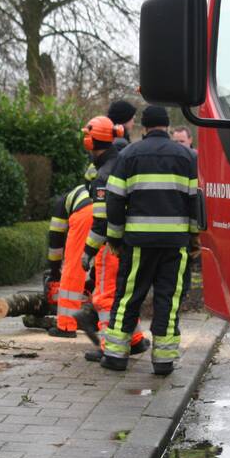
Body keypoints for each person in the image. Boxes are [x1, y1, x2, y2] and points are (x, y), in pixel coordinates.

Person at [101, 106, 199, 376]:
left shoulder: (128, 155)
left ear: (144, 128)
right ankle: (163, 360)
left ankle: (116, 355)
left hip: (138, 243)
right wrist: (193, 239)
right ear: (167, 127)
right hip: (174, 245)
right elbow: (195, 201)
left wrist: (115, 237)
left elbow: (115, 200)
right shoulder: (187, 156)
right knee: (168, 298)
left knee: (128, 297)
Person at [80, 116, 147, 361]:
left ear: (90, 140)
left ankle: (109, 345)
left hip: (112, 244)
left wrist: (88, 250)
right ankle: (136, 339)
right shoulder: (124, 163)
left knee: (106, 297)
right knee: (126, 292)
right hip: (133, 239)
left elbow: (101, 222)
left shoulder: (103, 176)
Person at [45, 183, 94, 338]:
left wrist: (54, 271)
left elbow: (55, 240)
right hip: (111, 210)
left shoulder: (62, 203)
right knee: (109, 272)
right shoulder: (92, 188)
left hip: (86, 214)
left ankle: (66, 326)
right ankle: (116, 328)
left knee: (73, 269)